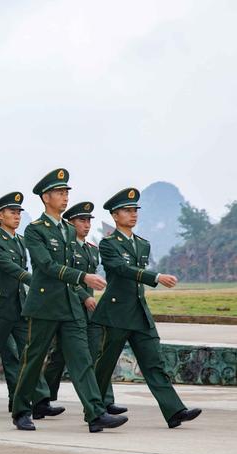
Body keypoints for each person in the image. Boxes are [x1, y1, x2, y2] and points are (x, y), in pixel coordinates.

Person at [12, 169, 126, 433]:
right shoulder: (35, 230)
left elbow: (74, 263)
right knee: (34, 359)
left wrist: (82, 286)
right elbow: (46, 265)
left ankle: (96, 413)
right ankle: (21, 409)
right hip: (45, 305)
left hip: (70, 305)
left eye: (66, 193)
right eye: (60, 193)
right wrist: (83, 277)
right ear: (45, 197)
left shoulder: (67, 229)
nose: (64, 198)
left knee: (82, 360)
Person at [93, 188, 202, 429]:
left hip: (139, 313)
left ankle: (175, 411)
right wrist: (156, 276)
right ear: (114, 215)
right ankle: (95, 409)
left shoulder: (143, 245)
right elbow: (122, 270)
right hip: (117, 314)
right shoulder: (108, 244)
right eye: (127, 211)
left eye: (135, 211)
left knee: (154, 364)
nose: (133, 215)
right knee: (106, 364)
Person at [0, 194, 56, 419]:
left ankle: (40, 399)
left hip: (20, 305)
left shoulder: (20, 240)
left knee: (31, 352)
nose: (16, 217)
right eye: (11, 213)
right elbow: (8, 267)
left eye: (18, 213)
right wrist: (31, 279)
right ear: (0, 215)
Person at [42, 202, 126, 415]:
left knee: (94, 354)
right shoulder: (65, 249)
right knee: (59, 356)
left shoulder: (91, 250)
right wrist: (83, 296)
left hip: (89, 309)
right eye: (81, 220)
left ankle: (103, 402)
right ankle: (42, 398)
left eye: (89, 220)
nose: (87, 225)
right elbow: (66, 277)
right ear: (70, 223)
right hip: (68, 307)